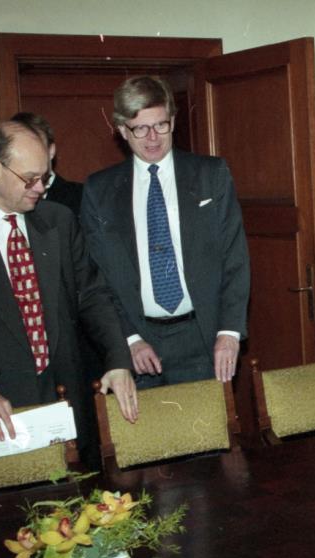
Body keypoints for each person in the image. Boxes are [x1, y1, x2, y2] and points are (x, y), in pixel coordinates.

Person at [0, 121, 139, 444]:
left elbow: (93, 296)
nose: (40, 188)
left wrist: (117, 360)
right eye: (30, 178)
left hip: (64, 395)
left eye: (44, 177)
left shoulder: (59, 220)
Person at [80, 75, 249, 388]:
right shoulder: (99, 191)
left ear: (173, 120)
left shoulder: (211, 175)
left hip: (204, 339)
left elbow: (234, 258)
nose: (152, 138)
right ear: (122, 130)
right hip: (138, 346)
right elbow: (96, 278)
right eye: (140, 128)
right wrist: (130, 339)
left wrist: (229, 333)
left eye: (161, 125)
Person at [9, 111, 103, 468]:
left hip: (78, 349)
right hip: (25, 358)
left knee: (85, 454)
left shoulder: (80, 198)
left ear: (51, 150)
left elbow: (93, 280)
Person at [9, 112, 84, 214]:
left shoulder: (82, 197)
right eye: (21, 150)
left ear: (51, 151)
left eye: (36, 149)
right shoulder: (5, 198)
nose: (29, 156)